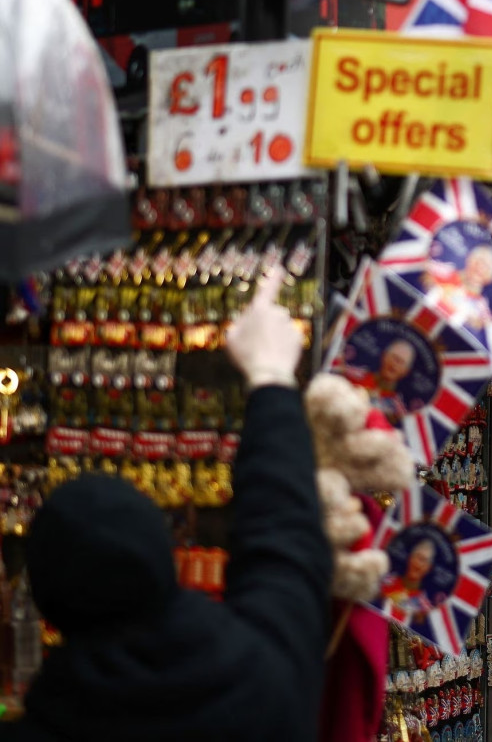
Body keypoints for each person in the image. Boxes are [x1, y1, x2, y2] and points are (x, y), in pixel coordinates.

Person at [4, 270, 332, 741]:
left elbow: (285, 546)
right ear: (164, 556)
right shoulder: (267, 682)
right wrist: (271, 377)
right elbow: (284, 538)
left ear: (45, 605)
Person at [380, 537, 437, 618]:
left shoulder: (424, 607)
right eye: (417, 557)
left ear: (429, 568)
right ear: (410, 558)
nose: (418, 564)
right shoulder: (384, 582)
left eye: (424, 560)